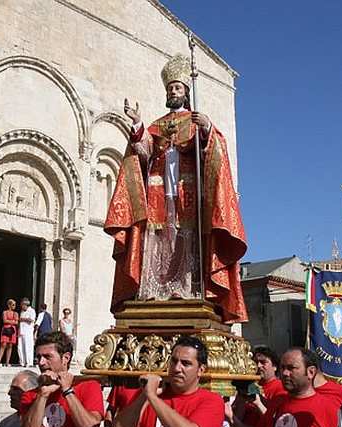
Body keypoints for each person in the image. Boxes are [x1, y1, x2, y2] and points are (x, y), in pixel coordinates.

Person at [105, 53, 247, 324]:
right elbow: (144, 151)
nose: (173, 92)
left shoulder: (195, 121)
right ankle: (155, 290)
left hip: (186, 191)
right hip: (158, 190)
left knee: (186, 239)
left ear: (186, 92)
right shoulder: (157, 125)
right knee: (157, 240)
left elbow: (213, 150)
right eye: (170, 88)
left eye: (178, 88)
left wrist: (206, 129)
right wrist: (137, 124)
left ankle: (187, 288)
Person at [112, 336, 224, 427]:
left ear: (200, 370)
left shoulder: (211, 401)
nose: (177, 368)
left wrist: (152, 397)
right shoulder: (149, 395)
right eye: (174, 361)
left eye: (186, 363)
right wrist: (144, 397)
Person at [20, 331, 103, 427]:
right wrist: (43, 395)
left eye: (47, 357)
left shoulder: (89, 387)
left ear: (66, 358)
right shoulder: (30, 395)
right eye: (38, 357)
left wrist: (67, 391)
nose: (41, 363)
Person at [261, 348, 338, 427]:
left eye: (291, 368)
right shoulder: (276, 404)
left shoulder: (329, 410)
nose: (285, 373)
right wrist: (231, 417)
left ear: (311, 372)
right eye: (282, 368)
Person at [230, 346, 285, 427]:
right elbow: (236, 420)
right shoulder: (249, 387)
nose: (258, 366)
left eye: (263, 362)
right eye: (255, 362)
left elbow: (277, 424)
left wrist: (258, 403)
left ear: (275, 367)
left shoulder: (280, 389)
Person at [0, 299, 20, 366]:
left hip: (13, 330)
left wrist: (10, 321)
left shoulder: (16, 313)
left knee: (10, 345)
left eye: (15, 305)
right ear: (9, 305)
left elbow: (17, 322)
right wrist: (13, 321)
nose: (14, 306)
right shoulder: (5, 312)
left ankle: (7, 362)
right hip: (6, 329)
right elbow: (5, 320)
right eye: (13, 305)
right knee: (3, 344)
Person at [18, 298, 36, 367]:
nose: (21, 306)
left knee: (27, 346)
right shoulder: (22, 311)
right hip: (21, 330)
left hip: (28, 331)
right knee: (20, 347)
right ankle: (22, 362)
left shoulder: (31, 311)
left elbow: (31, 320)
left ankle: (29, 362)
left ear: (25, 304)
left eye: (22, 305)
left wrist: (22, 319)